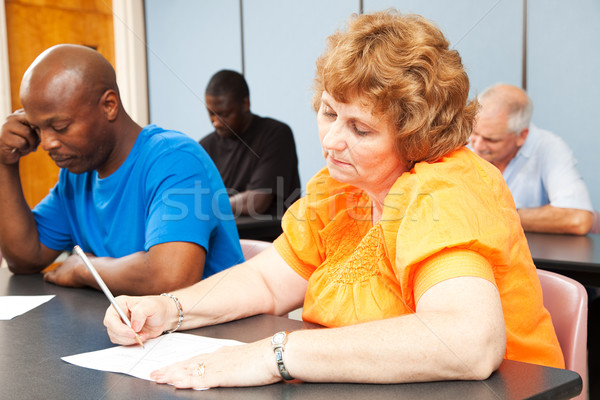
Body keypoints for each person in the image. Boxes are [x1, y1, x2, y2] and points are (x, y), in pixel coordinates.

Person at [104, 11, 563, 389]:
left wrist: (277, 354)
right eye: (328, 113)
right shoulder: (343, 184)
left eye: (360, 129)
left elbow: (467, 342)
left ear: (416, 135)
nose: (332, 142)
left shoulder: (448, 185)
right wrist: (169, 309)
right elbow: (268, 282)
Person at [0, 44, 243, 295]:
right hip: (134, 327)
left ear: (109, 105)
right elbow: (25, 258)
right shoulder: (76, 176)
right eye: (38, 129)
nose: (47, 143)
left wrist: (85, 269)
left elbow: (172, 277)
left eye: (60, 126)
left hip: (210, 331)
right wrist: (5, 163)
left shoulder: (175, 159)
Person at [470, 83, 594, 235]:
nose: (477, 145)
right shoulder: (461, 141)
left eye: (491, 140)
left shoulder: (549, 148)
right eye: (474, 133)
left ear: (522, 136)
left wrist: (497, 215)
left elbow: (578, 219)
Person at [200, 70, 301, 217]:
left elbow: (256, 202)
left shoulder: (275, 134)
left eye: (224, 114)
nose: (216, 122)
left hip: (269, 236)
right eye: (211, 113)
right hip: (225, 236)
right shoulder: (205, 146)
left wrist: (211, 206)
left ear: (245, 104)